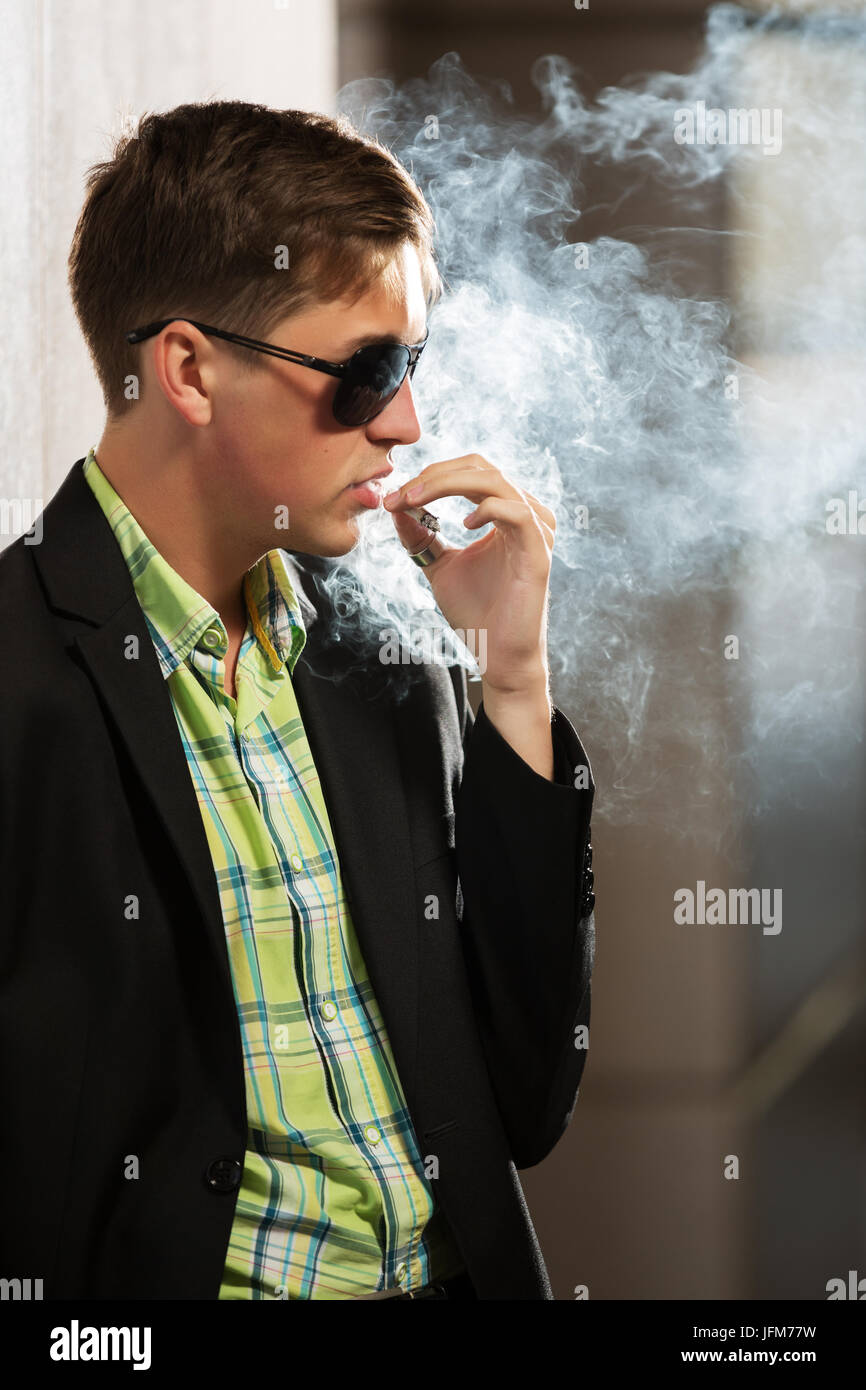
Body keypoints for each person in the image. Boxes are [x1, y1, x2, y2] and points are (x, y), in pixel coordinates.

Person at [0, 99, 595, 1300]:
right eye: (366, 370)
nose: (404, 423)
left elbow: (522, 1103)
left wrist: (511, 678)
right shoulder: (19, 678)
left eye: (411, 365)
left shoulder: (383, 659)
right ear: (188, 369)